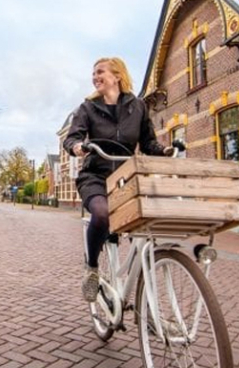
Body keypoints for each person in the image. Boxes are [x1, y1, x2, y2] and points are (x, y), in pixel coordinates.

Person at [63, 57, 172, 302]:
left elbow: (147, 143)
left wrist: (164, 150)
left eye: (100, 72)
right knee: (101, 214)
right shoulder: (87, 108)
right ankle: (91, 268)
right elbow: (70, 139)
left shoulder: (138, 106)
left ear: (117, 76)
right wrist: (78, 146)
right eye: (93, 73)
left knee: (143, 226)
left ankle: (144, 296)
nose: (95, 77)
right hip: (96, 176)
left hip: (125, 178)